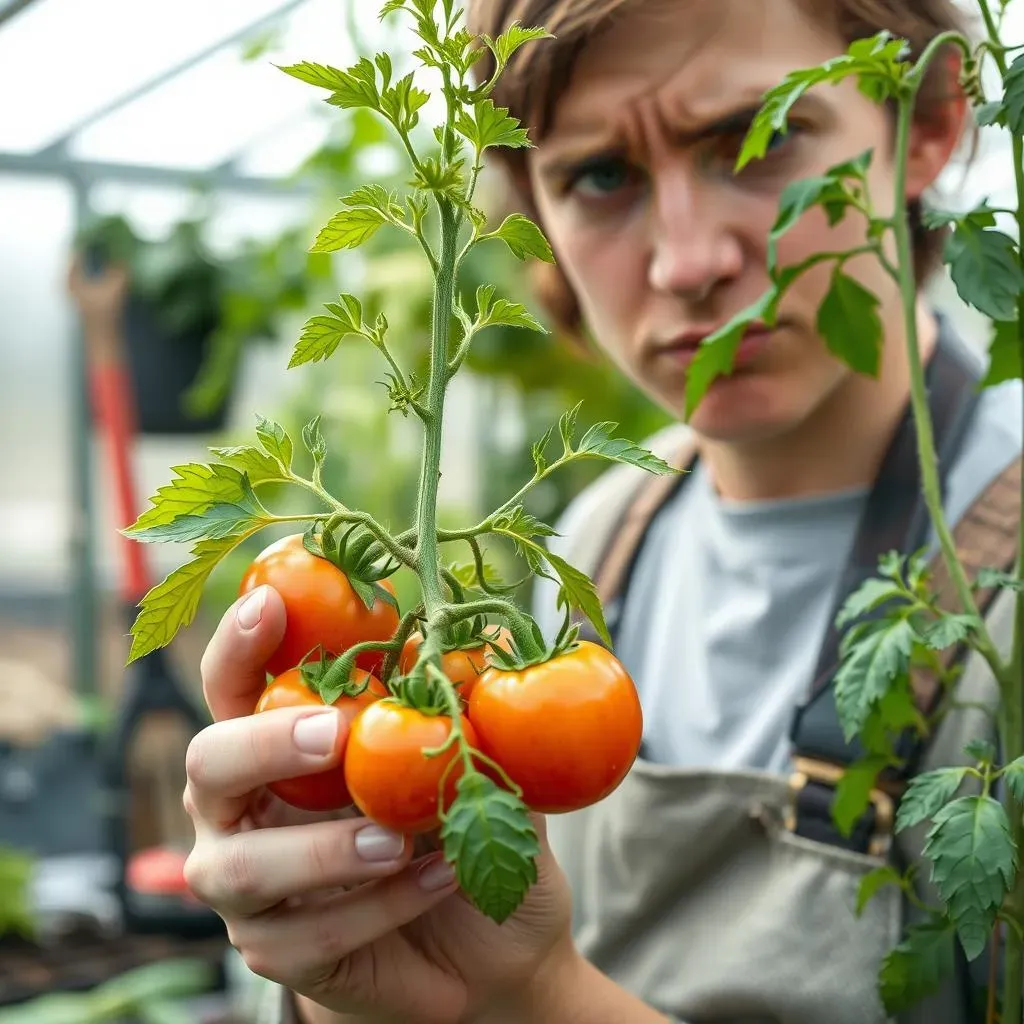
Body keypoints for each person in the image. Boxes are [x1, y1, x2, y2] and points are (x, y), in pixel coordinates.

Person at [180, 1, 1023, 1022]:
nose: (685, 262)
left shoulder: (1002, 587)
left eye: (755, 140)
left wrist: (533, 998)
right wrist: (359, 959)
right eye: (601, 177)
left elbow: (533, 983)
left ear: (925, 130)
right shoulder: (595, 535)